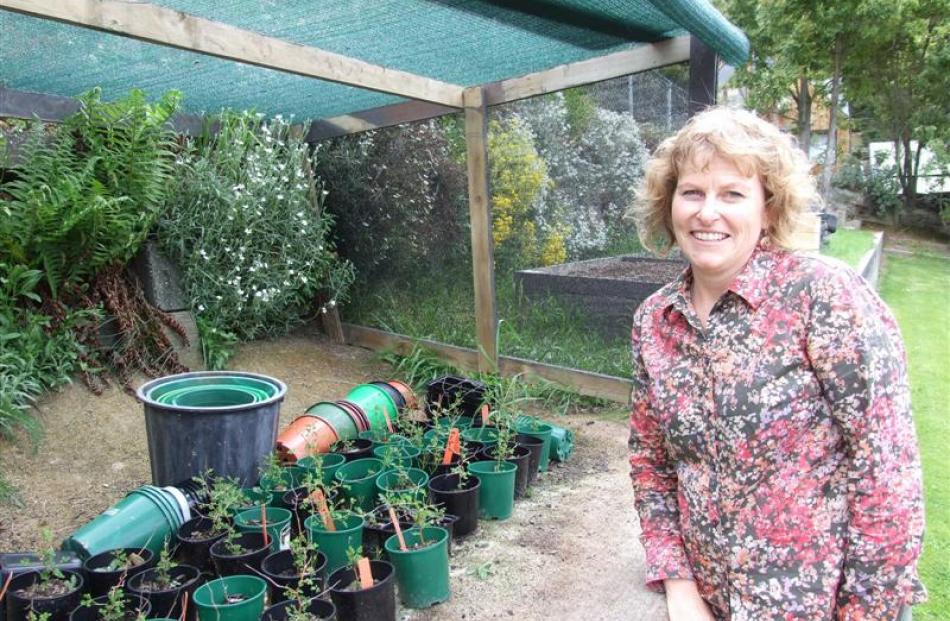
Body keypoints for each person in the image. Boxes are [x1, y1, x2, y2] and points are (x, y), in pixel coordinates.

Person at [627, 107, 926, 621]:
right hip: (709, 604)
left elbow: (887, 470)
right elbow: (651, 463)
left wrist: (865, 612)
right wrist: (679, 583)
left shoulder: (823, 296)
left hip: (823, 607)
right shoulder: (656, 320)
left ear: (768, 207)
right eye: (692, 192)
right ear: (669, 203)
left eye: (733, 194)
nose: (707, 212)